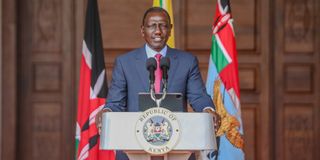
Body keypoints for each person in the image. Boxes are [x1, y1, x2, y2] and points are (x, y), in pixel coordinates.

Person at [96, 7, 220, 160]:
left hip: (177, 146)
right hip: (134, 148)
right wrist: (106, 112)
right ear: (143, 30)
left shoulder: (187, 61)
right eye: (152, 26)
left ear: (170, 30)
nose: (158, 31)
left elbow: (198, 96)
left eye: (163, 25)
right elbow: (115, 102)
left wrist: (208, 110)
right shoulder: (125, 63)